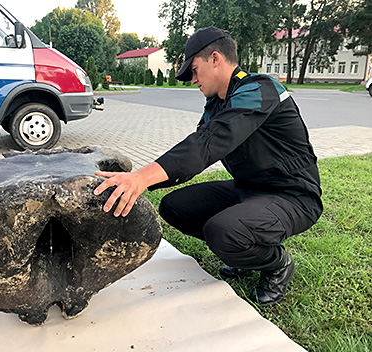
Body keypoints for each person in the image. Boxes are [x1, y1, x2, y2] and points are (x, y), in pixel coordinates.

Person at [94, 27, 322, 306]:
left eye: (194, 70)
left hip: (292, 195)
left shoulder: (260, 89)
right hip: (249, 189)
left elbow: (210, 142)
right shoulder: (215, 104)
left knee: (223, 231)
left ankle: (277, 264)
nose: (192, 80)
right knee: (174, 207)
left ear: (215, 58)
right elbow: (196, 150)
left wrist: (142, 178)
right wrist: (141, 181)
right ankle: (241, 253)